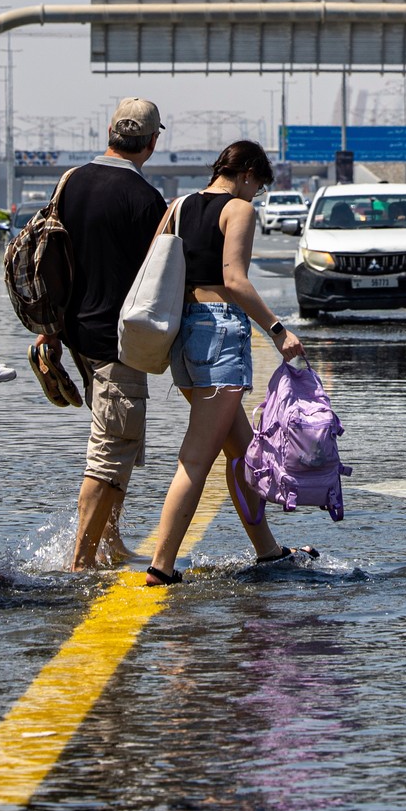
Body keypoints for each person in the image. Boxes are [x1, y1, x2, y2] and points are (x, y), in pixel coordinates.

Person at [144, 140, 315, 586]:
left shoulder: (177, 206)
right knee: (196, 457)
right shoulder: (238, 210)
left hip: (183, 334)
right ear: (246, 174)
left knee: (242, 452)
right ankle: (161, 566)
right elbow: (235, 280)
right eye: (256, 186)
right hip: (219, 330)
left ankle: (269, 551)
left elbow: (154, 266)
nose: (254, 195)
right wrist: (280, 331)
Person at [39, 97, 169, 571]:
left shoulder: (70, 182)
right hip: (118, 342)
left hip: (75, 333)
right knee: (111, 450)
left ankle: (110, 542)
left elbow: (50, 257)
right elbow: (158, 281)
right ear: (152, 143)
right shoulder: (146, 201)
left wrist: (49, 329)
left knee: (121, 441)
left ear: (109, 132)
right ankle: (82, 560)